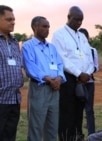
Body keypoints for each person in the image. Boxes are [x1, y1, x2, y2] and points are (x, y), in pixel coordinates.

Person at [51, 6, 94, 141]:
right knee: (67, 113)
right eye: (76, 19)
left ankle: (78, 136)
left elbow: (89, 57)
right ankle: (66, 138)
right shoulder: (59, 34)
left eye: (81, 20)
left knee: (79, 112)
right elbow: (61, 58)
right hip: (68, 79)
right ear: (68, 17)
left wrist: (87, 73)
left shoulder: (82, 36)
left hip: (83, 80)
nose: (79, 23)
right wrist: (78, 73)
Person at [22, 16, 66, 141]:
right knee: (36, 127)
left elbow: (59, 64)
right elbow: (30, 67)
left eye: (48, 27)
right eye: (44, 26)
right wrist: (48, 79)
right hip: (39, 88)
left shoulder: (52, 47)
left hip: (55, 90)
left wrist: (59, 78)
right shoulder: (28, 46)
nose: (47, 29)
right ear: (35, 27)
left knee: (52, 126)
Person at [0, 5, 24, 141]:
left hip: (14, 99)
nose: (13, 22)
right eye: (8, 19)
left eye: (13, 19)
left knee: (10, 136)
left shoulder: (15, 42)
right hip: (1, 99)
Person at [78, 28, 99, 135]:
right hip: (77, 83)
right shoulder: (75, 50)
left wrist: (87, 74)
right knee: (77, 109)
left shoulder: (92, 50)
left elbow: (96, 67)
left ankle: (92, 134)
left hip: (89, 83)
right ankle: (78, 133)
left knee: (89, 109)